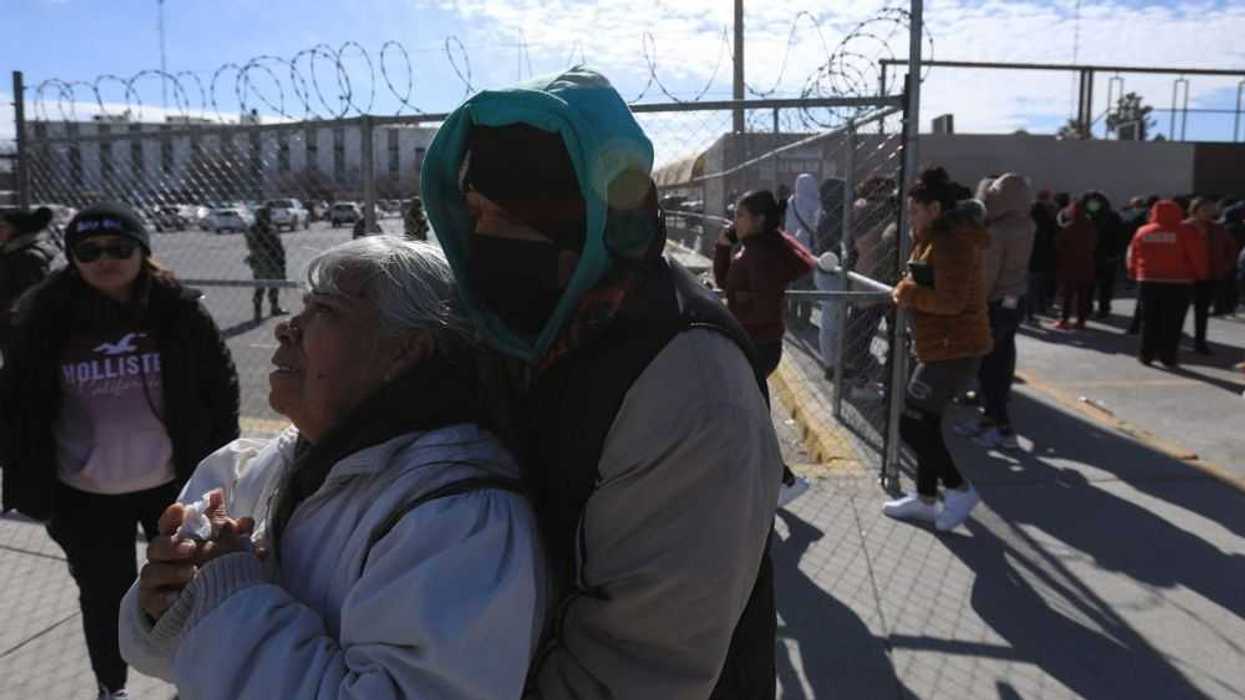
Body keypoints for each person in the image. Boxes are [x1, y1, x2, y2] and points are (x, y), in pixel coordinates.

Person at [421, 67, 781, 698]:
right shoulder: (520, 330)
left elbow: (631, 671)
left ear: (573, 225)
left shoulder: (690, 384)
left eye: (500, 216)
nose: (477, 242)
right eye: (470, 213)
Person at [118, 236, 545, 698]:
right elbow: (163, 658)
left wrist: (229, 594)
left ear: (404, 351)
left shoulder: (458, 519)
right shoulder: (253, 467)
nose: (287, 329)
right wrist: (162, 605)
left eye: (323, 310)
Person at [0, 203, 240, 700]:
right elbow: (16, 406)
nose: (105, 259)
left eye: (119, 247)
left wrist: (217, 468)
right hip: (82, 493)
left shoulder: (179, 312)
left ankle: (187, 681)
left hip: (173, 488)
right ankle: (112, 687)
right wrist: (28, 480)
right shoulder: (42, 319)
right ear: (72, 257)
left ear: (143, 251)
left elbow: (220, 389)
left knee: (185, 592)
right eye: (88, 251)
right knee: (104, 599)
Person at [885, 167, 992, 531]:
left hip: (953, 348)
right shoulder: (934, 237)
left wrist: (907, 292)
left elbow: (950, 301)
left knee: (912, 423)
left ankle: (959, 489)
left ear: (934, 208)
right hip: (938, 347)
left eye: (915, 210)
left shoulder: (952, 241)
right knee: (925, 421)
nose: (909, 217)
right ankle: (926, 499)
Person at [957, 173, 1035, 450]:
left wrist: (972, 305)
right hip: (1015, 299)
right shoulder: (1026, 225)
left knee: (990, 368)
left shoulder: (997, 232)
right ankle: (992, 421)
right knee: (1001, 361)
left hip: (994, 302)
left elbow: (987, 275)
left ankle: (1000, 426)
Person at [717, 189, 816, 376]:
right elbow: (725, 282)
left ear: (759, 220)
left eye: (740, 215)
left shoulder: (761, 254)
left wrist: (730, 316)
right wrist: (723, 248)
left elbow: (765, 308)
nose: (734, 222)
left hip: (755, 344)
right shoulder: (755, 247)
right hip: (755, 342)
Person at [1127, 199, 1208, 367]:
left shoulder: (1143, 231)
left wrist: (1134, 272)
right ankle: (1168, 356)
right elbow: (1197, 256)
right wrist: (1201, 275)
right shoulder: (1186, 231)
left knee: (1149, 320)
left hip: (1148, 281)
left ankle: (1146, 355)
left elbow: (1132, 255)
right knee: (1173, 322)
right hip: (1178, 283)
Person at [0, 206, 58, 351]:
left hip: (25, 329)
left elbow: (32, 296)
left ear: (17, 230)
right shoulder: (11, 253)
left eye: (3, 227)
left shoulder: (28, 257)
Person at [1186, 197, 1235, 355]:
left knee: (1202, 312)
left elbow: (1231, 249)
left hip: (1209, 275)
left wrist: (1224, 266)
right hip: (1185, 276)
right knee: (1177, 311)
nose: (1208, 213)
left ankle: (1200, 343)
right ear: (1194, 210)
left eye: (1210, 209)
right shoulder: (1183, 228)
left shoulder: (1218, 229)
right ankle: (1172, 341)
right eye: (1204, 209)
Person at [814, 177, 848, 376]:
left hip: (829, 273)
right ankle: (831, 364)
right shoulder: (831, 218)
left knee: (833, 320)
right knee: (831, 321)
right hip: (830, 274)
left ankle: (834, 362)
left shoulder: (828, 215)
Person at [1054, 199, 1097, 330]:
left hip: (1069, 265)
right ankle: (1081, 321)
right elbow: (1094, 244)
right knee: (1083, 295)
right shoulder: (1091, 226)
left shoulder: (1068, 227)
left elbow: (1059, 246)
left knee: (1068, 295)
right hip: (1087, 265)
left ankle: (1064, 320)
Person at [783, 173, 820, 328]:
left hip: (791, 247)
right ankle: (805, 317)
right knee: (807, 284)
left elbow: (787, 226)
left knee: (792, 282)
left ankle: (791, 314)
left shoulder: (790, 202)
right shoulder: (815, 203)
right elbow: (816, 225)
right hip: (808, 249)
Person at [1083, 191, 1126, 319]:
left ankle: (1092, 308)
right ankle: (1102, 308)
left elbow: (1119, 237)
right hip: (1104, 257)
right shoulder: (1112, 216)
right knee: (1102, 286)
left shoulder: (1085, 217)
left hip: (1095, 256)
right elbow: (1120, 237)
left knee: (1092, 285)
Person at [243, 206, 289, 321]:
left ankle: (274, 307)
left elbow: (277, 244)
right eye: (266, 215)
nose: (269, 217)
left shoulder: (270, 227)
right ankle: (258, 312)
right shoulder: (255, 229)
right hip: (264, 261)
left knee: (274, 284)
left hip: (272, 260)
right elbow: (253, 245)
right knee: (261, 286)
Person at [1026, 190, 1058, 322]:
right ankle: (1036, 311)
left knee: (1030, 288)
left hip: (1030, 258)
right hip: (1042, 259)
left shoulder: (1028, 216)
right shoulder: (1047, 218)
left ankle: (1030, 313)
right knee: (1038, 287)